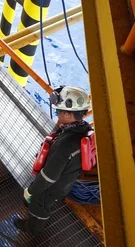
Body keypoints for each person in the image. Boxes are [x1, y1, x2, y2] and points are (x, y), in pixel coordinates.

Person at [14, 86, 92, 235]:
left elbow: (49, 176)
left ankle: (33, 228)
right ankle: (32, 205)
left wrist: (31, 191)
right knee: (38, 198)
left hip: (52, 188)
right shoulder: (81, 129)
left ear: (69, 116)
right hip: (65, 180)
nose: (56, 114)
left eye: (58, 111)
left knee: (41, 205)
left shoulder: (66, 145)